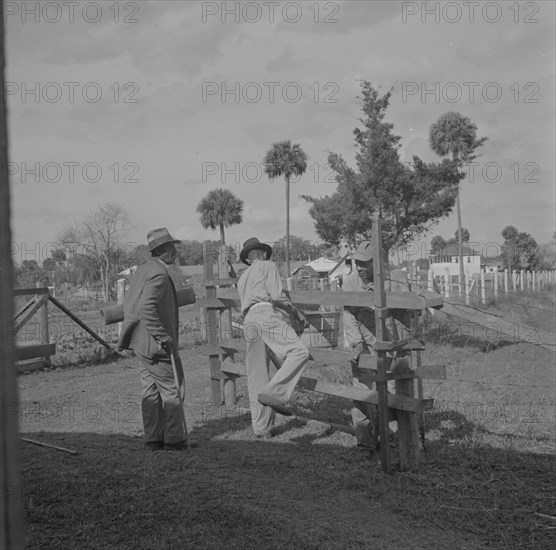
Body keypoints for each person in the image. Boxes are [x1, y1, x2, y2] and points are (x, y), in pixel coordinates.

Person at [117, 227, 195, 451]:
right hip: (155, 345)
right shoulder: (159, 274)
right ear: (164, 251)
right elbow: (146, 309)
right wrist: (164, 337)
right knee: (173, 388)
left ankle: (154, 438)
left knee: (150, 390)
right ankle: (175, 439)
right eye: (172, 248)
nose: (176, 252)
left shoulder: (143, 270)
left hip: (141, 344)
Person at [237, 237, 310, 439]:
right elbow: (277, 296)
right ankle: (275, 393)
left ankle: (261, 428)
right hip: (264, 315)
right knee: (299, 351)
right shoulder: (268, 266)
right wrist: (296, 313)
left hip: (249, 321)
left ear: (248, 257)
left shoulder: (243, 278)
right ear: (261, 253)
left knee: (257, 374)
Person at [342, 240, 396, 459]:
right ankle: (365, 443)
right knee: (362, 392)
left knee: (390, 391)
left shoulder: (389, 282)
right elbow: (349, 313)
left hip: (387, 343)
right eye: (357, 263)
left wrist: (379, 297)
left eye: (365, 263)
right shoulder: (350, 282)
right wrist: (356, 343)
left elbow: (400, 314)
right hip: (362, 344)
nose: (360, 268)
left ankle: (389, 438)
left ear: (377, 263)